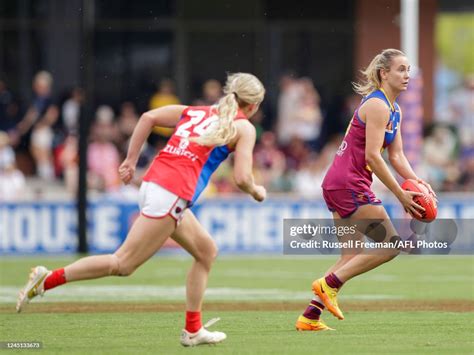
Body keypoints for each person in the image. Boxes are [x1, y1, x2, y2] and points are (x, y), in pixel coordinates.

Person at [16, 72, 266, 346]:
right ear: (253, 106)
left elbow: (148, 117)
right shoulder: (244, 128)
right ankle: (46, 279)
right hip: (171, 194)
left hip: (154, 185)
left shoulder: (194, 111)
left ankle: (193, 330)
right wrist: (256, 191)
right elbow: (242, 178)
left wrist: (130, 160)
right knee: (122, 264)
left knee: (206, 251)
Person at [295, 49, 437, 331]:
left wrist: (418, 181)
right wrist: (400, 194)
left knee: (350, 256)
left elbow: (396, 157)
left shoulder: (395, 109)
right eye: (400, 69)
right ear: (384, 73)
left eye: (408, 69)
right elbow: (373, 156)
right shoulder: (378, 106)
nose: (407, 74)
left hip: (339, 182)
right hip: (349, 183)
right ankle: (328, 285)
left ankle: (309, 316)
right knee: (392, 245)